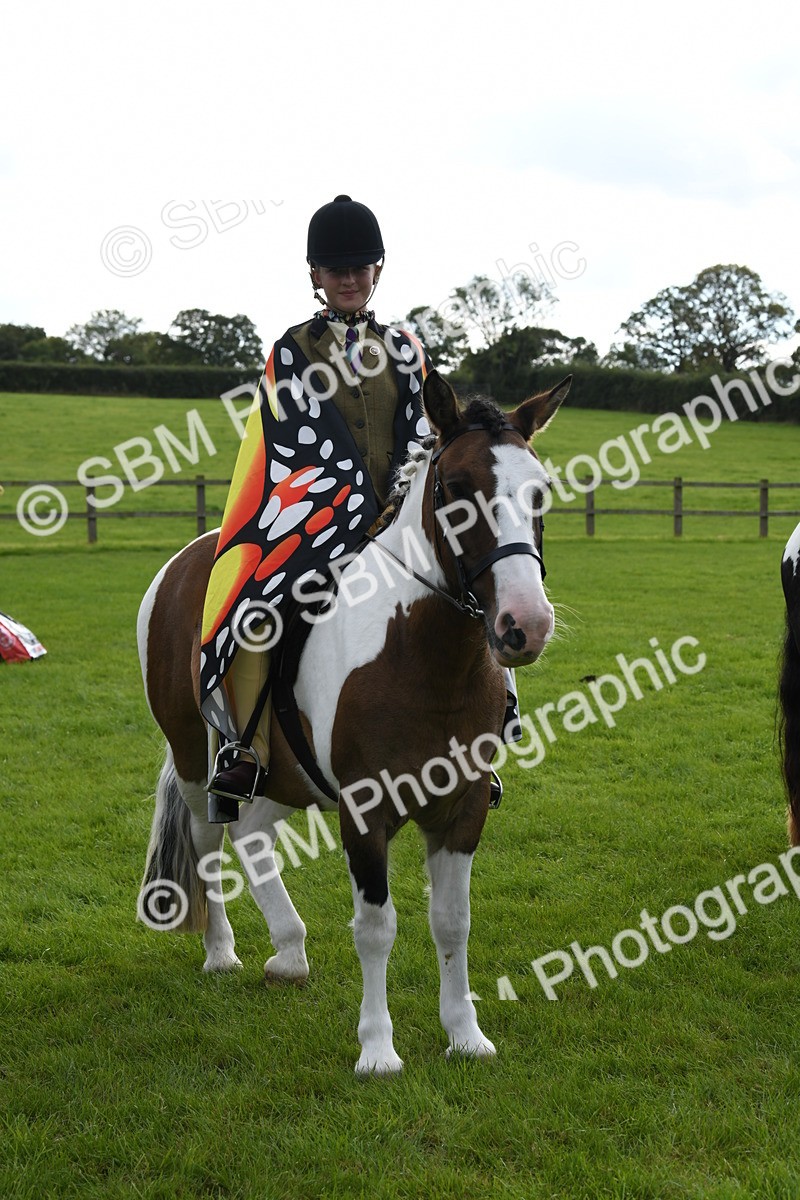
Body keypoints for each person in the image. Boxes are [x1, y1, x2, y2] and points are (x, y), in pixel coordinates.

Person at [200, 195, 435, 820]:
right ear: (315, 276)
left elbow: (426, 428)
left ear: (377, 271)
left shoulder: (407, 348)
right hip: (315, 515)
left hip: (401, 516)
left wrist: (405, 500)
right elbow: (293, 441)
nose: (350, 279)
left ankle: (491, 734)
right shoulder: (291, 350)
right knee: (254, 612)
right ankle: (243, 747)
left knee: (483, 582)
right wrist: (354, 503)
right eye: (337, 270)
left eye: (360, 268)